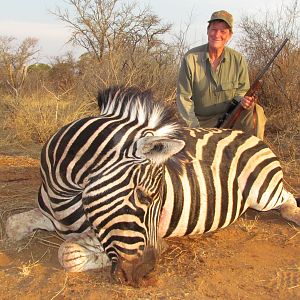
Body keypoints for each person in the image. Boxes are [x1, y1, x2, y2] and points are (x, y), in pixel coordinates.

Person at [176, 10, 266, 139]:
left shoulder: (238, 59)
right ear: (208, 31)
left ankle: (253, 152)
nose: (217, 34)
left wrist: (244, 102)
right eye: (213, 29)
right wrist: (195, 129)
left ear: (229, 35)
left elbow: (242, 92)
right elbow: (184, 98)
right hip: (200, 121)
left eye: (223, 31)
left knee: (257, 111)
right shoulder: (190, 58)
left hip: (230, 117)